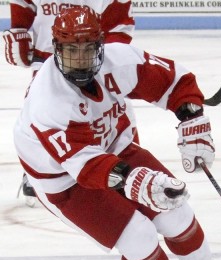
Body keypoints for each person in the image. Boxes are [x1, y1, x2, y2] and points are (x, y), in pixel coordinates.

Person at [13, 6, 221, 260]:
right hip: (65, 181)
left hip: (117, 148)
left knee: (175, 211)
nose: (80, 59)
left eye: (88, 49)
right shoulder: (48, 100)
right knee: (138, 235)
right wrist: (136, 181)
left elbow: (172, 80)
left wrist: (192, 118)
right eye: (71, 51)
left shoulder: (119, 58)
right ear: (56, 49)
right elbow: (86, 166)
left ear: (101, 45)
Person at [3, 0, 137, 206]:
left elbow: (119, 23)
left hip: (92, 59)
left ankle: (122, 168)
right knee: (42, 116)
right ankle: (40, 171)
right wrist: (19, 28)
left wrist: (103, 60)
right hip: (47, 56)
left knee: (112, 114)